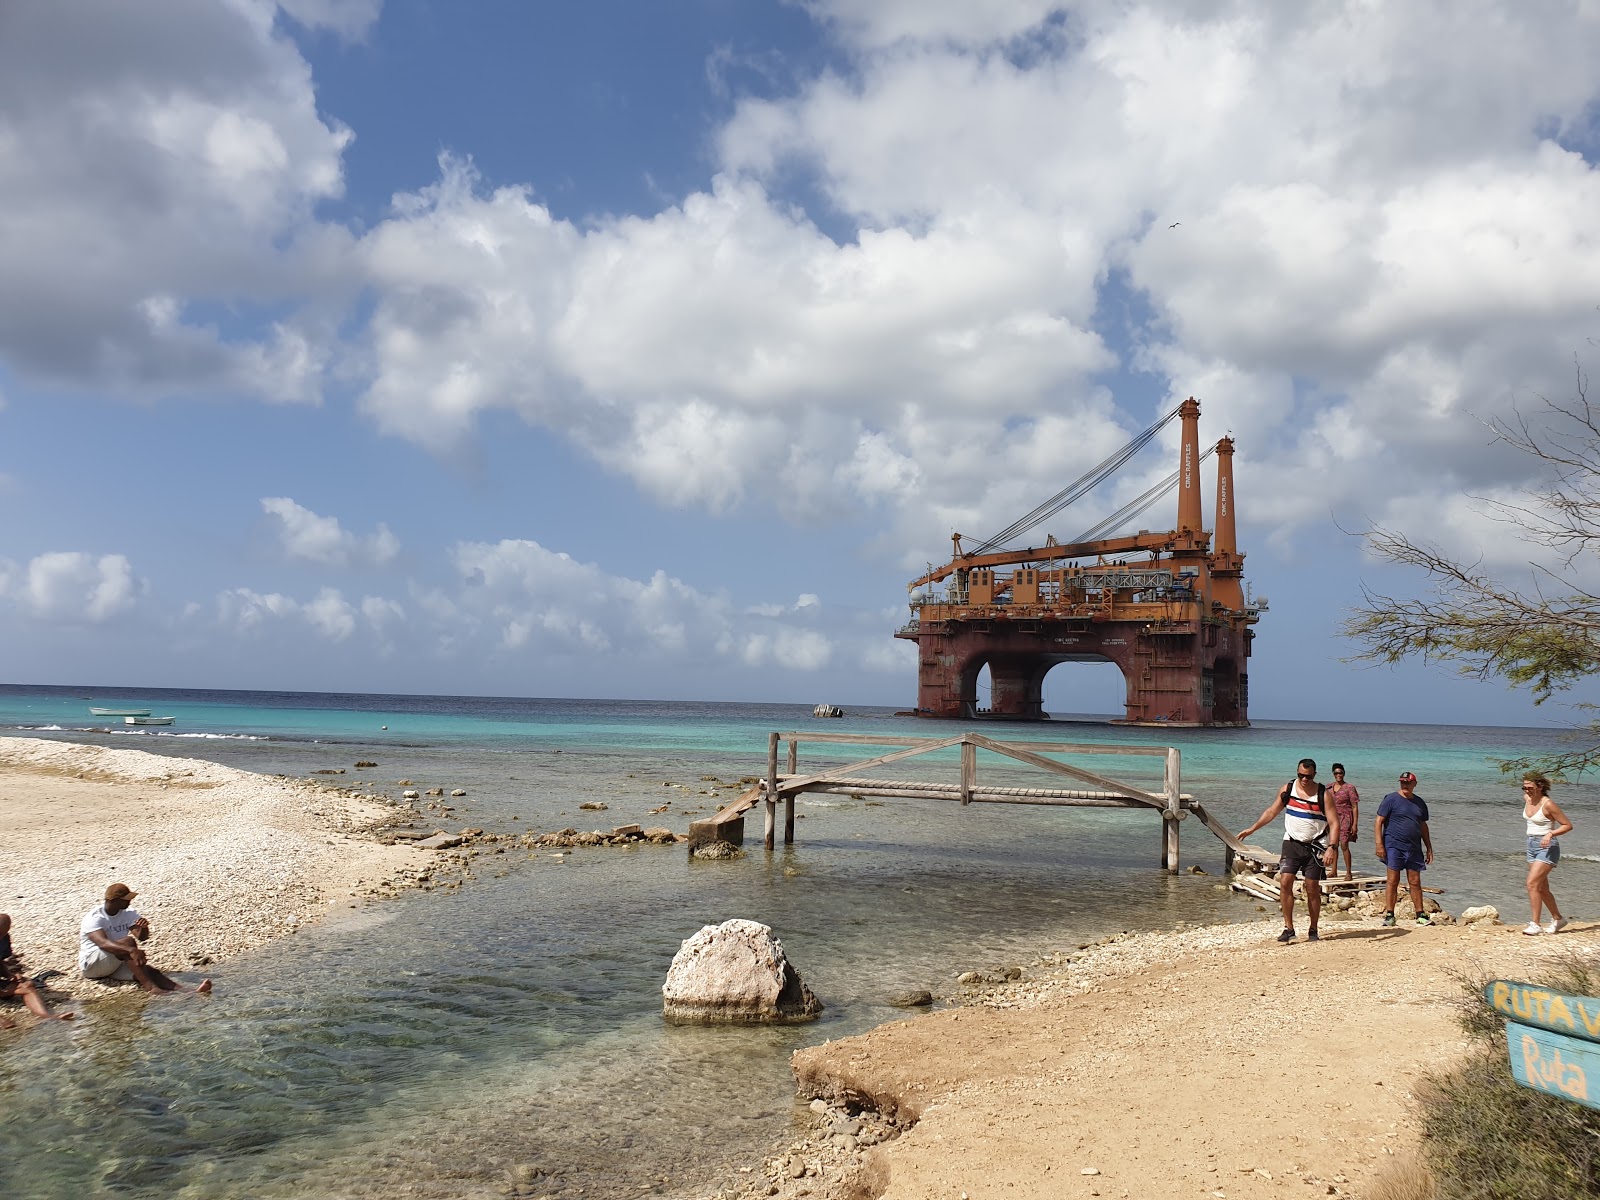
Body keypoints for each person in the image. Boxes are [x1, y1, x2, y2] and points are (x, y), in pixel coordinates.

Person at [1238, 758, 1340, 943]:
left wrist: (1331, 848)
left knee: (1312, 888)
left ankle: (1313, 928)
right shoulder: (1288, 789)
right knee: (1285, 882)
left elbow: (1334, 823)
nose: (1304, 779)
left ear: (1314, 775)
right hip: (1291, 843)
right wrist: (1253, 828)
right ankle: (1288, 928)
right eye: (1300, 775)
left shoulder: (1323, 794)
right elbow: (1271, 811)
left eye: (1307, 777)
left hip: (1315, 845)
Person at [79, 884, 211, 994]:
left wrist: (143, 928)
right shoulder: (95, 918)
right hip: (93, 965)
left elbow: (141, 938)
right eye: (125, 899)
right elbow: (103, 943)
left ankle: (187, 991)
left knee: (150, 971)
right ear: (112, 900)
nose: (129, 901)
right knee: (128, 942)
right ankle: (152, 989)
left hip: (115, 963)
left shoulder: (128, 913)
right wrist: (131, 950)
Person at [1374, 771, 1433, 927]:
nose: (1405, 785)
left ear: (1415, 784)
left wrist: (1429, 847)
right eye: (1402, 782)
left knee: (1415, 881)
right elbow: (1379, 821)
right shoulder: (1391, 799)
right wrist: (1379, 844)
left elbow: (1423, 826)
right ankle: (1389, 915)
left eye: (1408, 782)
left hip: (1413, 847)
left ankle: (1420, 915)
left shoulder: (1420, 803)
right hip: (1393, 845)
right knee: (1393, 880)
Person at [1522, 771, 1574, 935]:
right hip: (1531, 845)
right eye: (1524, 787)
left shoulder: (1548, 804)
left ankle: (1535, 924)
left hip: (1548, 847)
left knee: (1531, 883)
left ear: (1540, 786)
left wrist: (1550, 833)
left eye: (1530, 787)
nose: (1526, 791)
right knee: (1542, 888)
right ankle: (1558, 919)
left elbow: (1567, 825)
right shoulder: (1527, 799)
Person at [0, 913, 76, 1023]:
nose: (1, 937)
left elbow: (1, 960)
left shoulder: (4, 939)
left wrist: (10, 974)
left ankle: (48, 1016)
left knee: (28, 986)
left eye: (3, 934)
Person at [1326, 763, 1360, 881]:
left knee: (1344, 844)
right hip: (1332, 818)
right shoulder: (1328, 787)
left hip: (1345, 817)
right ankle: (1333, 870)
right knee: (1333, 844)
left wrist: (1355, 824)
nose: (1338, 775)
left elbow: (1355, 806)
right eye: (1336, 773)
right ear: (1333, 774)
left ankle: (1348, 872)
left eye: (1340, 773)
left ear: (1344, 773)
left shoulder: (1349, 788)